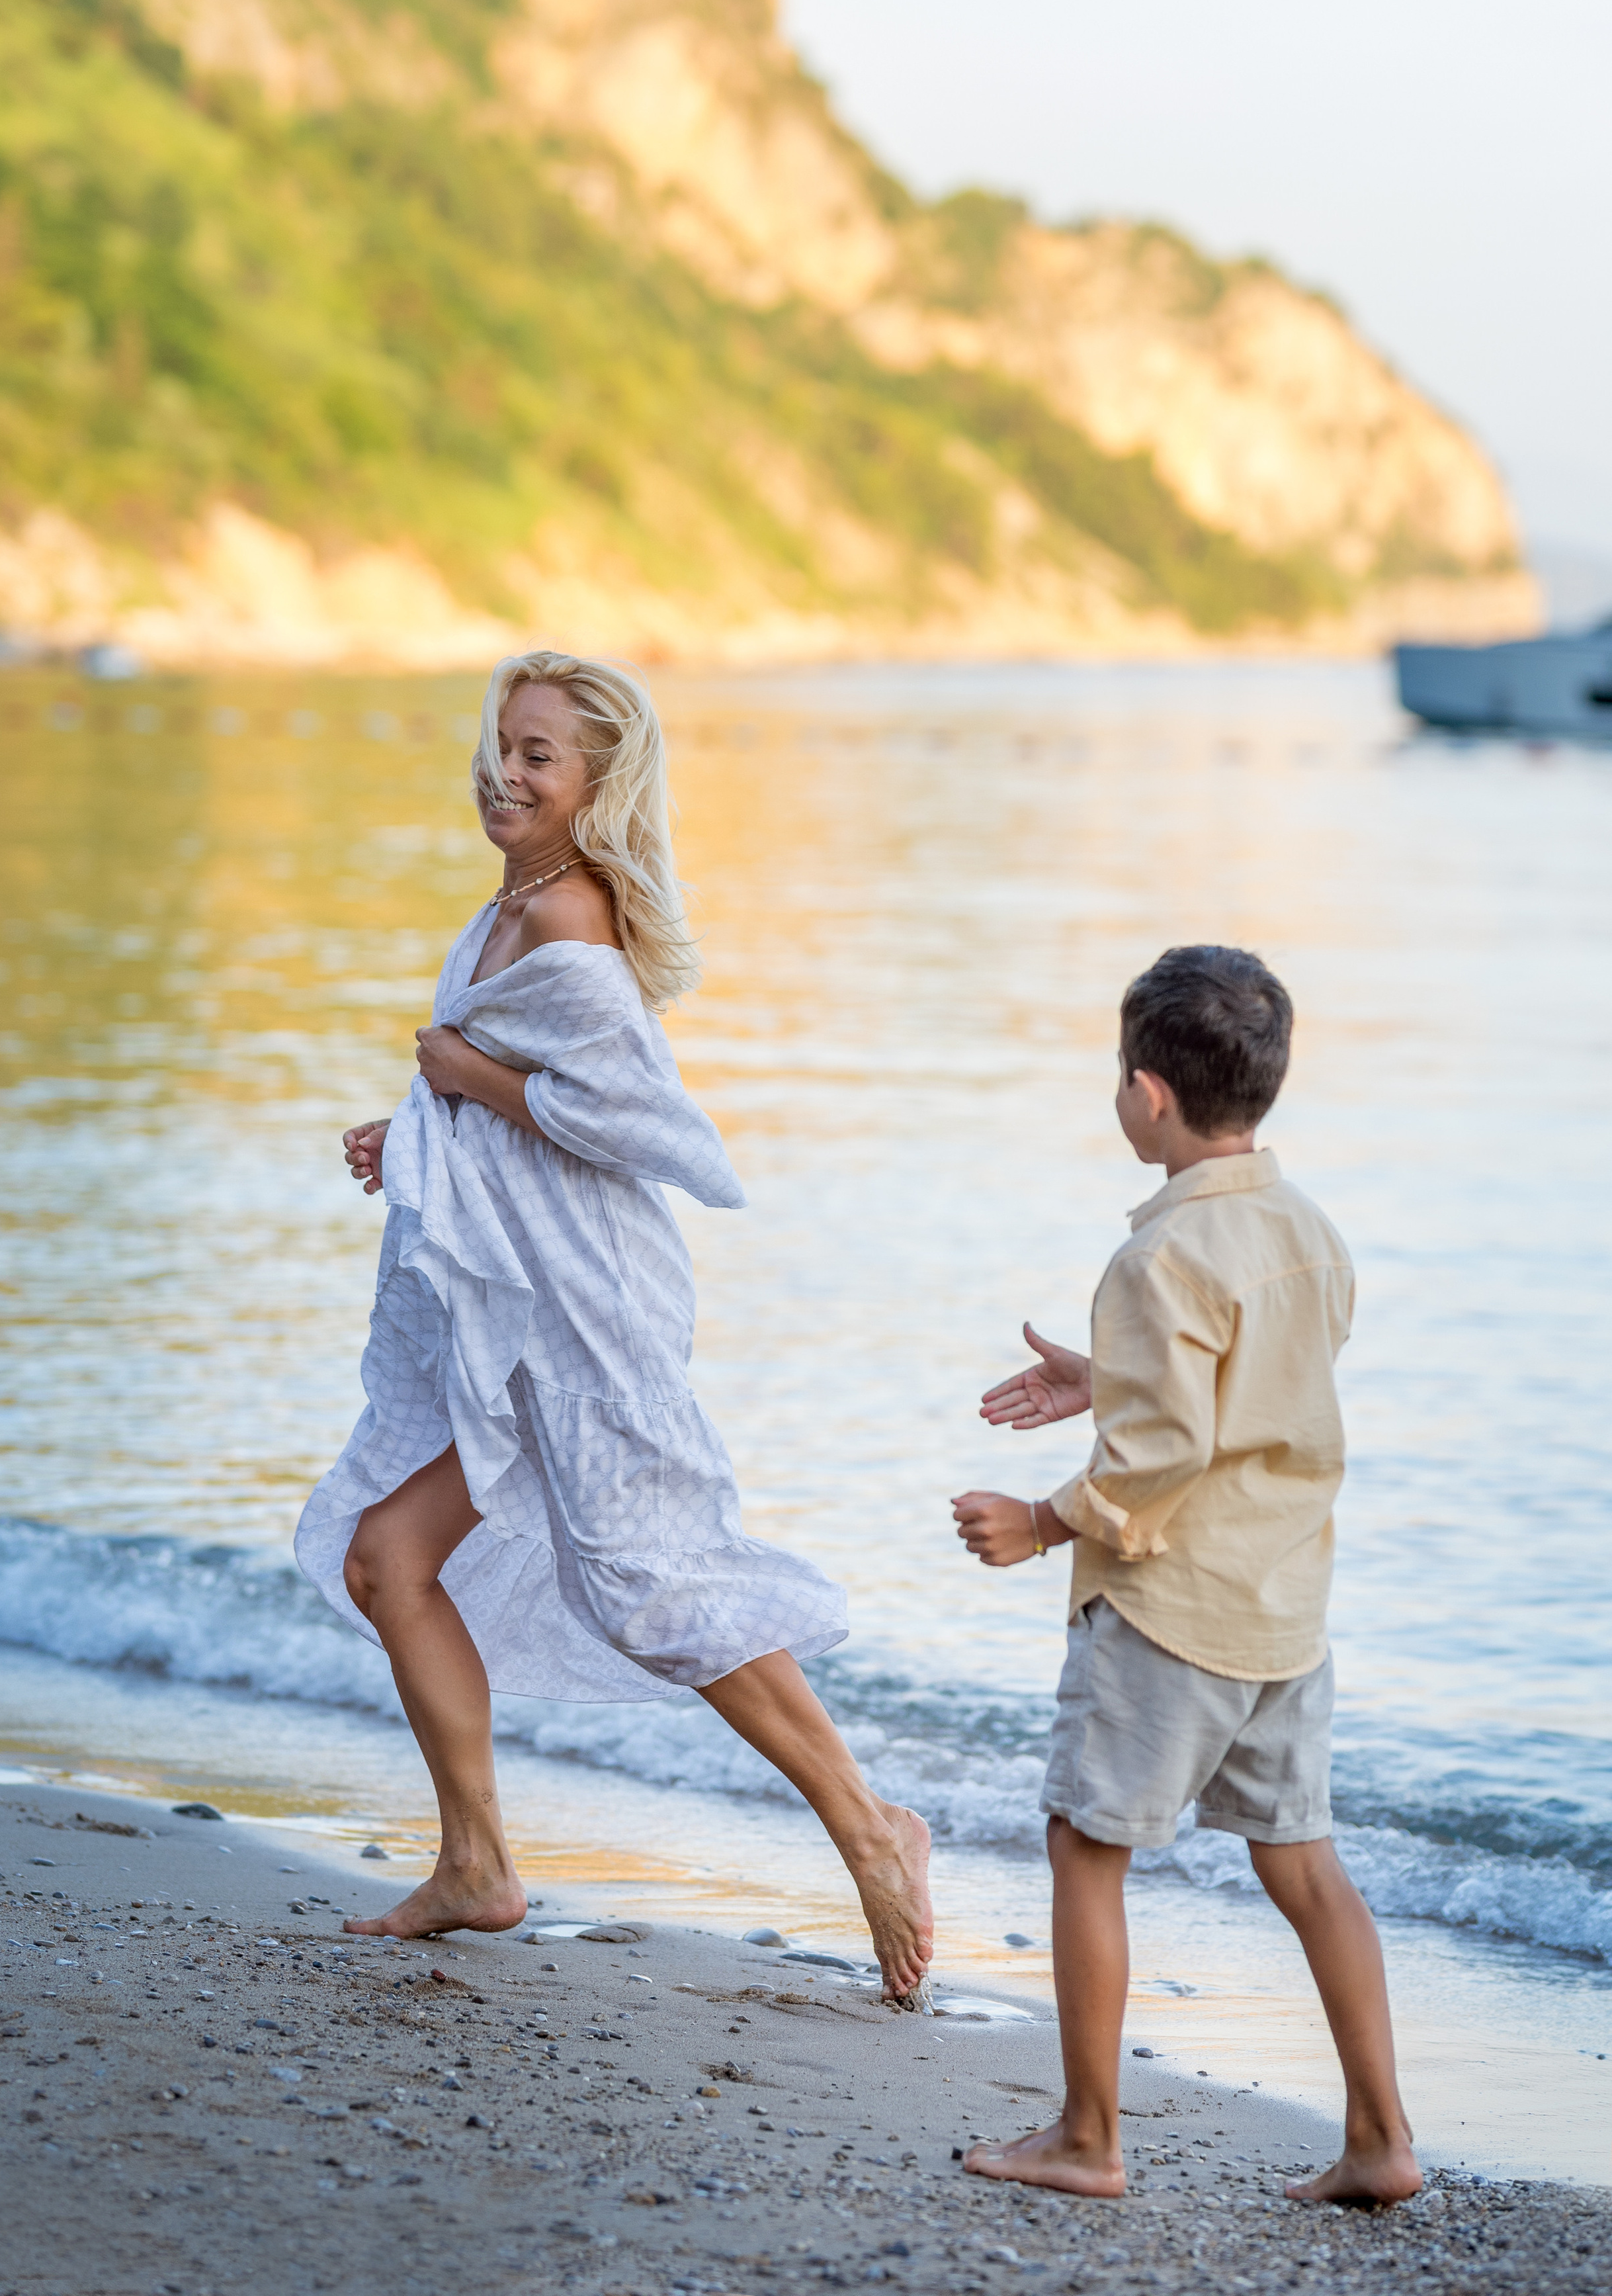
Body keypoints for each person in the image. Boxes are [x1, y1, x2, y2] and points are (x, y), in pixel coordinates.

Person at [295, 650, 932, 2000]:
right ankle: (476, 1864)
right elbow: (516, 1085)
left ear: (597, 785)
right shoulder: (514, 904)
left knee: (653, 1587)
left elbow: (641, 1123)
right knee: (386, 1559)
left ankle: (871, 1831)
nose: (505, 771)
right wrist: (420, 1120)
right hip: (522, 1310)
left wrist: (466, 1077)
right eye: (501, 744)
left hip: (582, 1311)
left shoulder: (570, 919)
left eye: (539, 756)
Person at [951, 946, 1420, 2206]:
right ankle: (1382, 2138)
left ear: (1148, 1096)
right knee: (1304, 1862)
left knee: (1085, 1844)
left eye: (1120, 1074)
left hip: (1170, 1613)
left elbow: (1165, 1455)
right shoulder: (1309, 1233)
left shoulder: (1156, 1259)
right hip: (1285, 1611)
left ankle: (1089, 2139)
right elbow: (1255, 1397)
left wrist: (1042, 1524)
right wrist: (1106, 1380)